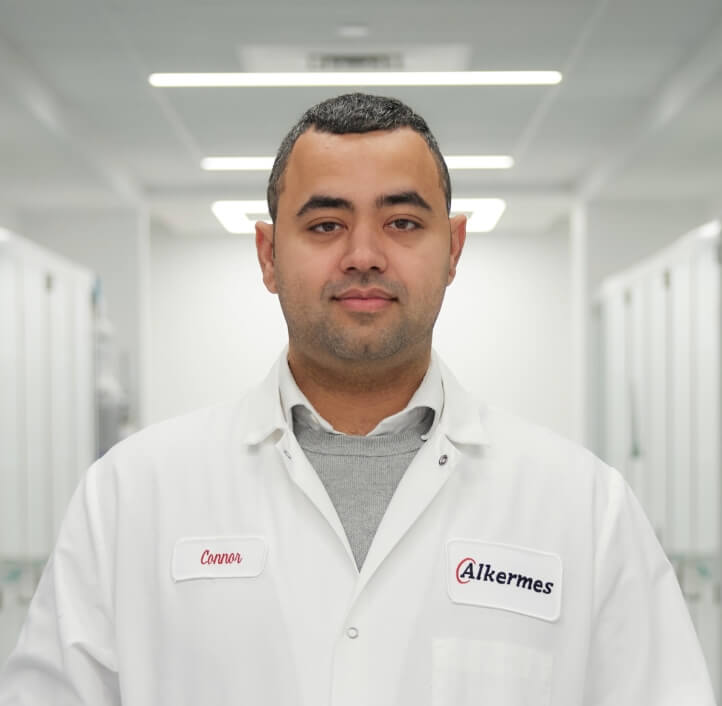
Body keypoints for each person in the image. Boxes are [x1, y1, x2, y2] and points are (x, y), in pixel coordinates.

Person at [0, 93, 715, 706]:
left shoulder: (583, 507)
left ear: (454, 248)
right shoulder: (132, 495)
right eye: (325, 224)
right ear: (268, 255)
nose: (364, 253)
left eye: (403, 222)